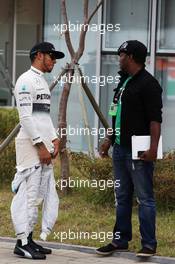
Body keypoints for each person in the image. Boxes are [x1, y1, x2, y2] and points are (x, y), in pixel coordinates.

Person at [96, 40, 162, 257]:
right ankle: (120, 240)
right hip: (120, 149)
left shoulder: (149, 84)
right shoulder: (123, 82)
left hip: (139, 150)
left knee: (144, 197)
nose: (119, 58)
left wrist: (153, 149)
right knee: (122, 196)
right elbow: (115, 114)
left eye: (121, 54)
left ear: (131, 57)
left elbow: (155, 120)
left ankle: (149, 244)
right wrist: (108, 140)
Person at [10, 42, 65, 260]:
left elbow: (42, 116)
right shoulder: (25, 80)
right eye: (51, 56)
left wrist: (54, 138)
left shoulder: (41, 81)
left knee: (39, 195)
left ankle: (29, 239)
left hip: (42, 145)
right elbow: (25, 118)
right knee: (28, 195)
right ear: (39, 55)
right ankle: (21, 243)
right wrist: (41, 145)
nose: (54, 60)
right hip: (29, 145)